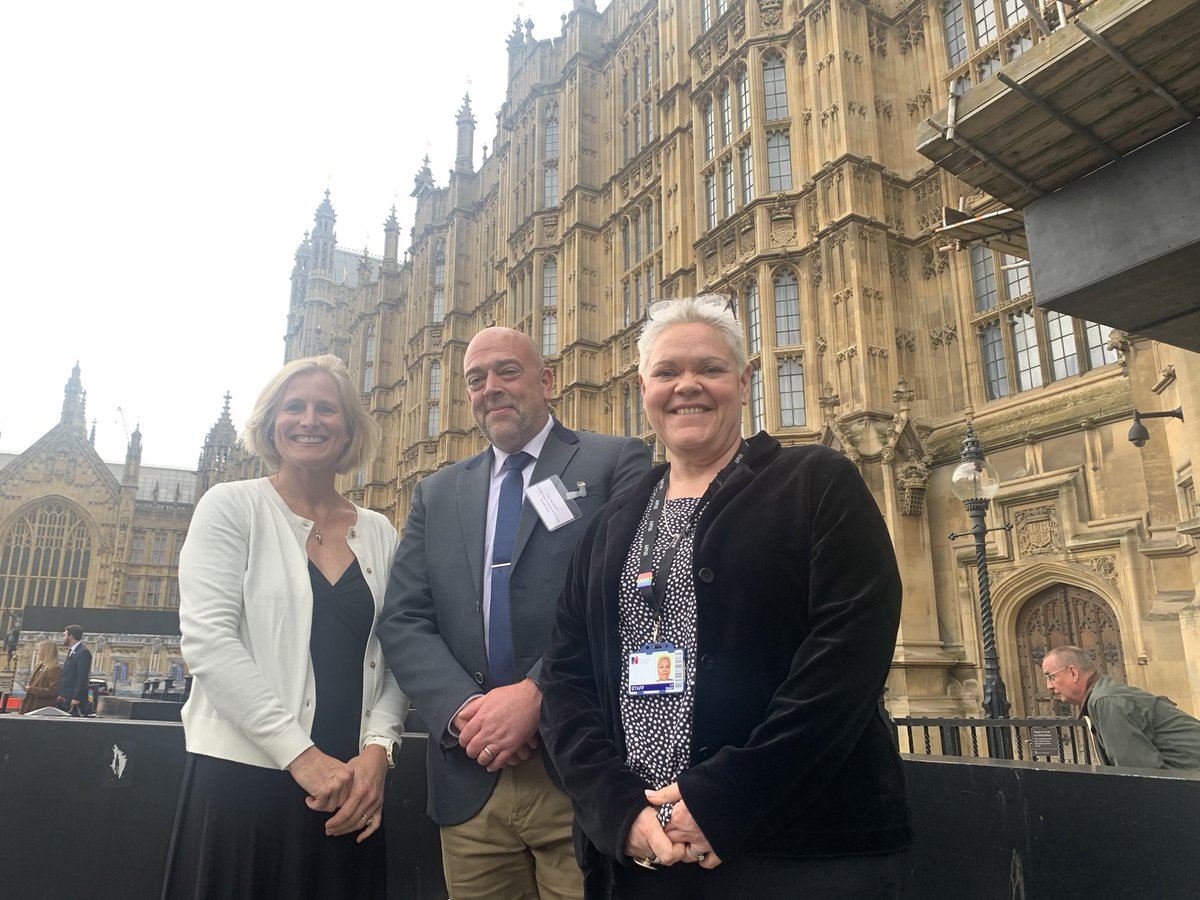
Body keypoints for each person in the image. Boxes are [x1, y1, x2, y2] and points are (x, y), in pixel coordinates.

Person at [540, 296, 912, 899]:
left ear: (743, 381)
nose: (687, 385)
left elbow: (847, 660)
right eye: (667, 372)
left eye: (709, 369)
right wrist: (617, 810)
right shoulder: (611, 525)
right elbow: (564, 679)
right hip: (644, 858)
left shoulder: (814, 483)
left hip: (799, 853)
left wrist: (724, 799)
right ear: (644, 389)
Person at [377, 326, 651, 900]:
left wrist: (534, 694)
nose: (491, 388)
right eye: (476, 379)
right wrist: (464, 711)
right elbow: (404, 618)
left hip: (578, 768)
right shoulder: (437, 492)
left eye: (507, 371)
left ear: (546, 382)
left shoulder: (614, 461)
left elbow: (628, 597)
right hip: (469, 774)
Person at [164, 355, 407, 900]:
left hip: (350, 792)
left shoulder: (379, 531)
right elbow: (209, 644)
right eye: (294, 407)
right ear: (271, 422)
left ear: (349, 429)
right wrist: (301, 756)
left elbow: (398, 655)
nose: (309, 419)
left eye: (327, 409)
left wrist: (377, 754)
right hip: (246, 782)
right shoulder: (231, 506)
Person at [1043, 645, 1200, 770]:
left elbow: (1141, 774)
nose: (1049, 686)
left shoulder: (1106, 701)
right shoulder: (1102, 697)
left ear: (1073, 672)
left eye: (1051, 676)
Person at [57, 624, 92, 715]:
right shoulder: (72, 651)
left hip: (72, 698)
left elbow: (82, 678)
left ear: (71, 636)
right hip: (64, 697)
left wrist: (76, 697)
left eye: (65, 635)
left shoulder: (83, 652)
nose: (63, 638)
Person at [20, 639, 63, 714]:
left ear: (45, 652)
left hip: (42, 707)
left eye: (38, 650)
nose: (37, 653)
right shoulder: (39, 666)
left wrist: (32, 689)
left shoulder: (54, 668)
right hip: (31, 705)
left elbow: (52, 690)